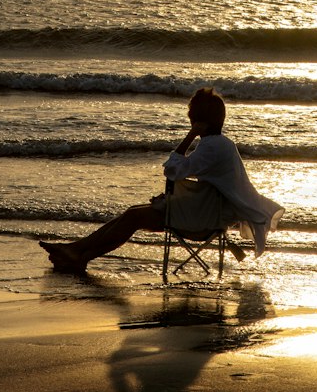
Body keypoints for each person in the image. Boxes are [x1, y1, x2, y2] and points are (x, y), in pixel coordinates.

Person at [40, 87, 283, 273]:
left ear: (199, 120)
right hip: (205, 211)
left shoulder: (212, 147)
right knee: (133, 213)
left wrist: (190, 135)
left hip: (203, 219)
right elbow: (194, 180)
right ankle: (79, 254)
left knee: (134, 217)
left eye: (191, 116)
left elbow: (173, 171)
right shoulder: (219, 144)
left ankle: (77, 251)